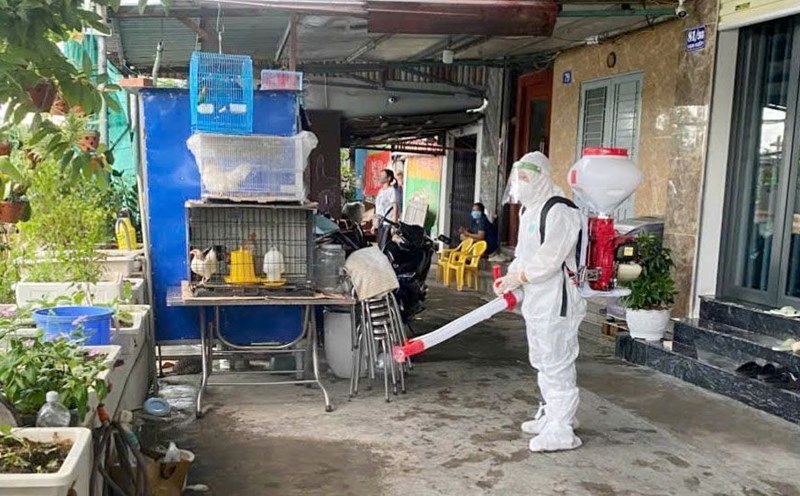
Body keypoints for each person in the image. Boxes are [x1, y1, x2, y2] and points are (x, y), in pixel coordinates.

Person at [493, 151, 586, 453]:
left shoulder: (560, 211)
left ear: (541, 178)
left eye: (524, 179)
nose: (520, 186)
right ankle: (553, 414)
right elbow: (523, 254)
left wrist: (518, 277)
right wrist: (508, 277)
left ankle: (562, 428)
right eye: (517, 179)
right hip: (536, 299)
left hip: (557, 300)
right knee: (543, 359)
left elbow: (548, 260)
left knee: (557, 360)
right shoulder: (528, 211)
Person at [373, 169, 401, 249]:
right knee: (379, 246)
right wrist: (374, 223)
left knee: (384, 247)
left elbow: (395, 209)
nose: (379, 177)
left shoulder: (392, 191)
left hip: (387, 224)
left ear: (388, 178)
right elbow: (378, 208)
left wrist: (394, 226)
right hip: (380, 223)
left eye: (382, 175)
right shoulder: (380, 191)